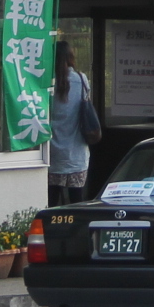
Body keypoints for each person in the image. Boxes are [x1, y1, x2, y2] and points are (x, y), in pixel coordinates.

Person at [48, 42, 101, 206]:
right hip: (76, 153)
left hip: (52, 154)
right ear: (71, 57)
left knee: (52, 202)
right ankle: (75, 224)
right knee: (77, 201)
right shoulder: (81, 79)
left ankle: (54, 224)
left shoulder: (47, 82)